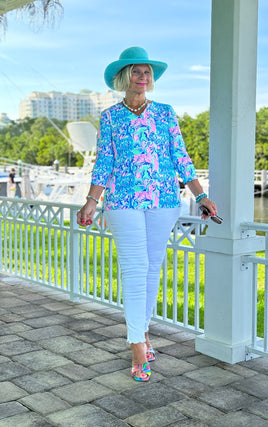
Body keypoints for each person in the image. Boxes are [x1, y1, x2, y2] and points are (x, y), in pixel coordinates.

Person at [77, 47, 218, 382]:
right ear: (126, 77)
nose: (143, 78)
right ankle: (137, 344)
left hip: (164, 200)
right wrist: (91, 201)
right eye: (137, 72)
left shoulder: (166, 113)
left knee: (151, 270)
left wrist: (201, 194)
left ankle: (142, 332)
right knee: (135, 269)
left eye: (147, 73)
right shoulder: (110, 117)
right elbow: (105, 162)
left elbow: (180, 156)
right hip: (123, 202)